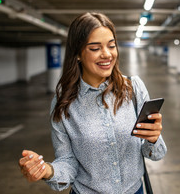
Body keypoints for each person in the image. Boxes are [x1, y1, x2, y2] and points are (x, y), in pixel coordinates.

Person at [18, 12, 167, 194]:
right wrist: (46, 170)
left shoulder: (133, 89)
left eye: (111, 46)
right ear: (78, 54)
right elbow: (68, 162)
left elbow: (156, 153)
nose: (107, 54)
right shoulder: (63, 102)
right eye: (95, 48)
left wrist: (152, 138)